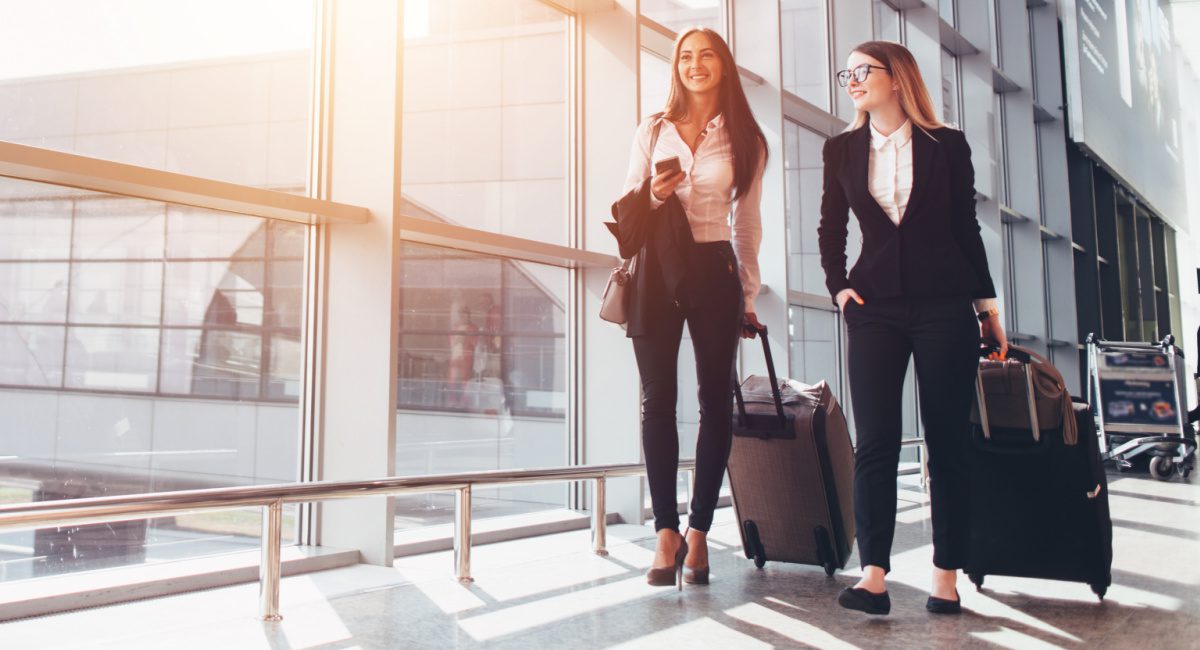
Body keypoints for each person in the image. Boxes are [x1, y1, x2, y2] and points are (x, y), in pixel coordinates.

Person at [818, 41, 1009, 615]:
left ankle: (945, 574)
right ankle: (874, 574)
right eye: (845, 71)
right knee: (875, 441)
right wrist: (838, 287)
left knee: (947, 441)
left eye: (863, 71)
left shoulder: (945, 145)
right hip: (873, 307)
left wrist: (987, 311)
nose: (852, 80)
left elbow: (965, 228)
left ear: (897, 78)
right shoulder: (841, 149)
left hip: (943, 306)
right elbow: (830, 226)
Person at [615, 27, 767, 589]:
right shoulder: (652, 128)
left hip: (713, 271)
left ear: (723, 66)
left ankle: (700, 531)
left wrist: (748, 297)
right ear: (675, 66)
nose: (695, 64)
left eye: (706, 56)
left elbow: (746, 226)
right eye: (685, 56)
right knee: (658, 402)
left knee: (715, 402)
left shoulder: (747, 138)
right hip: (656, 269)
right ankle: (665, 532)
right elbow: (626, 205)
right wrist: (656, 193)